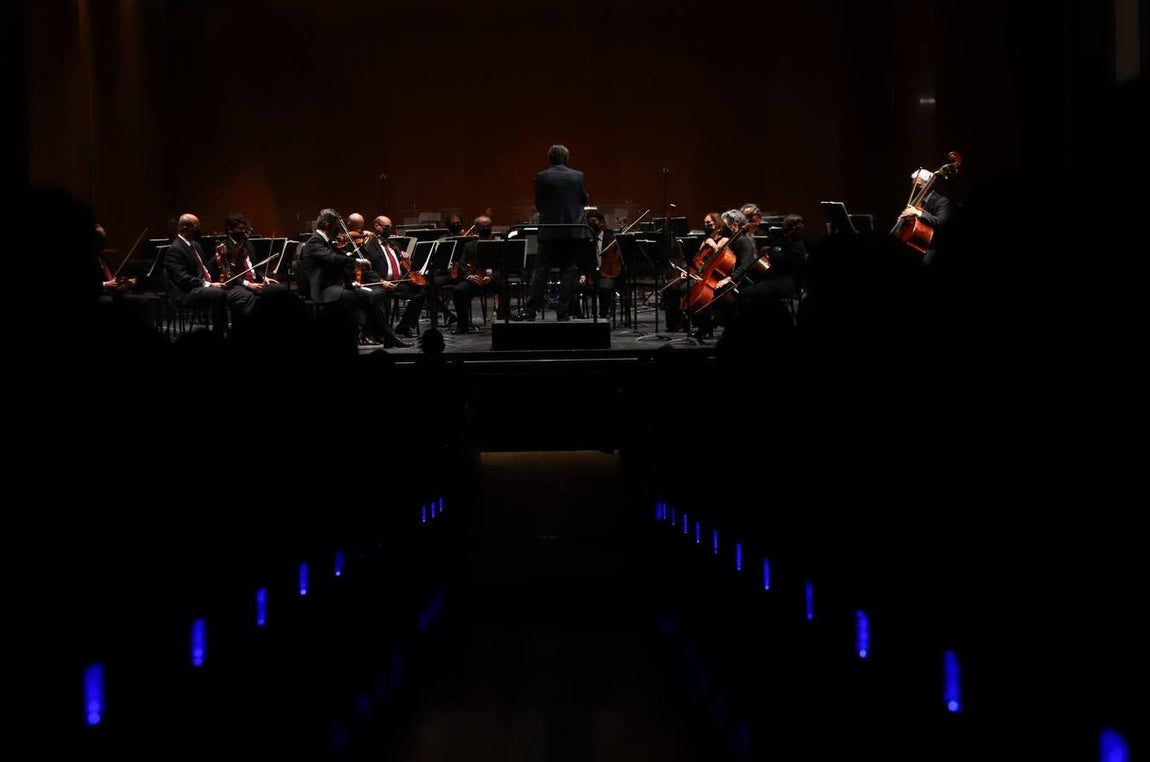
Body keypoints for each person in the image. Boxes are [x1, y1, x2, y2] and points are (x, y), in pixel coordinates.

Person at [301, 208, 410, 348]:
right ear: (328, 226)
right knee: (356, 299)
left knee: (376, 294)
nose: (339, 230)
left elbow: (342, 255)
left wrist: (357, 256)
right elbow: (333, 258)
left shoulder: (326, 242)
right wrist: (357, 262)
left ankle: (385, 336)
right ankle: (358, 336)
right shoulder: (315, 242)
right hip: (323, 289)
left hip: (337, 286)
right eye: (337, 226)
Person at [514, 144, 589, 321]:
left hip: (549, 231)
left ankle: (531, 310)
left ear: (550, 159)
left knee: (541, 270)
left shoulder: (542, 176)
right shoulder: (578, 176)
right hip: (571, 231)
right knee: (568, 270)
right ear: (566, 158)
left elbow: (539, 203)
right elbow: (583, 199)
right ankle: (563, 311)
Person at [164, 213, 255, 335]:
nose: (200, 229)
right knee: (218, 293)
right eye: (197, 226)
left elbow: (207, 269)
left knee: (242, 294)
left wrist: (218, 256)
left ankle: (238, 332)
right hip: (187, 291)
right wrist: (209, 285)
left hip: (204, 287)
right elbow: (182, 278)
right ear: (185, 229)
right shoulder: (175, 249)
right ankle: (219, 334)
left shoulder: (195, 245)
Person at [684, 209, 757, 340]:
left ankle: (727, 327)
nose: (723, 228)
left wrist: (729, 278)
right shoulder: (732, 239)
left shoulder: (744, 241)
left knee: (715, 292)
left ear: (735, 225)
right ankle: (705, 326)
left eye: (726, 225)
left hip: (741, 279)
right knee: (699, 288)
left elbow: (746, 266)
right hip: (727, 276)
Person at [361, 214, 428, 337]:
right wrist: (381, 281)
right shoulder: (369, 245)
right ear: (377, 226)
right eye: (386, 227)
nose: (389, 230)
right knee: (379, 296)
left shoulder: (393, 244)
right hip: (381, 283)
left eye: (390, 227)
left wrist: (404, 256)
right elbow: (366, 270)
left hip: (398, 281)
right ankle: (382, 331)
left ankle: (404, 326)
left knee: (420, 292)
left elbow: (398, 261)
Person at [451, 214, 511, 333]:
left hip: (492, 279)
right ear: (477, 228)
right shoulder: (469, 246)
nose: (486, 229)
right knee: (458, 290)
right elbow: (462, 265)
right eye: (483, 227)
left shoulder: (498, 245)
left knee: (505, 287)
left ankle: (502, 324)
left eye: (488, 226)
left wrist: (491, 277)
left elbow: (503, 266)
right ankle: (462, 326)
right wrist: (469, 276)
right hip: (474, 279)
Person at [738, 212, 808, 312]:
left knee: (745, 293)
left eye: (784, 227)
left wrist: (772, 254)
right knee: (749, 289)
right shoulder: (786, 242)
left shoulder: (797, 246)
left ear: (789, 229)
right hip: (775, 280)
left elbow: (780, 262)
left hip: (786, 284)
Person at [211, 213, 281, 296]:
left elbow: (255, 267)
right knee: (249, 295)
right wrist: (248, 284)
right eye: (240, 229)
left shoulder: (247, 244)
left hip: (256, 282)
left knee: (279, 289)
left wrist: (263, 277)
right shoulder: (224, 247)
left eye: (244, 229)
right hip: (240, 285)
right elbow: (229, 273)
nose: (244, 232)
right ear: (230, 230)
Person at [897, 168, 952, 265]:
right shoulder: (916, 200)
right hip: (913, 241)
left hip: (931, 245)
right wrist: (903, 221)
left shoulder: (942, 201)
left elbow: (941, 222)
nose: (915, 189)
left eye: (918, 185)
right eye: (914, 185)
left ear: (928, 184)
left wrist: (918, 213)